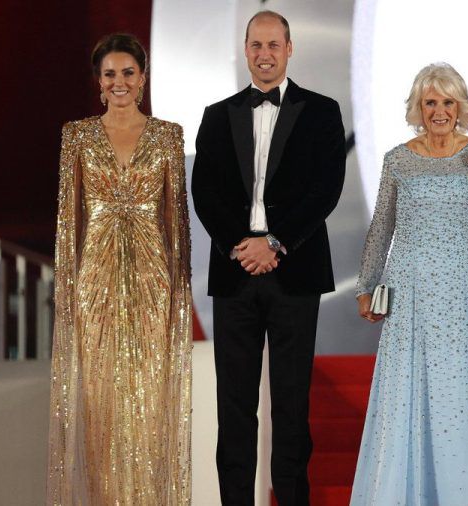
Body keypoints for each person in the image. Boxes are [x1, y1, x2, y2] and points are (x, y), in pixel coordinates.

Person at [191, 10, 346, 506]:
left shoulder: (322, 111)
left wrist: (275, 243)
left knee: (291, 405)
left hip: (293, 273)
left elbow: (325, 190)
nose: (264, 54)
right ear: (245, 48)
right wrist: (242, 244)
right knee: (234, 408)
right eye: (256, 45)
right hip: (236, 272)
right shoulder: (218, 115)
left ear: (290, 48)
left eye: (273, 45)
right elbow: (205, 191)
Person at [351, 62, 468, 506]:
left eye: (448, 102)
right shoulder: (397, 160)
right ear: (418, 107)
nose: (440, 111)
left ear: (461, 106)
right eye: (431, 102)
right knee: (409, 398)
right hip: (409, 296)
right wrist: (365, 286)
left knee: (463, 399)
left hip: (465, 293)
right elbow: (381, 228)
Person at [46, 33, 192, 505]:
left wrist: (179, 291)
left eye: (128, 72)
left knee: (148, 406)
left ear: (143, 78)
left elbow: (178, 222)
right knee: (103, 407)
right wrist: (68, 293)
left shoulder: (168, 135)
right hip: (96, 283)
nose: (120, 82)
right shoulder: (77, 135)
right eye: (110, 74)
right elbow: (68, 222)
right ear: (99, 82)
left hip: (153, 282)